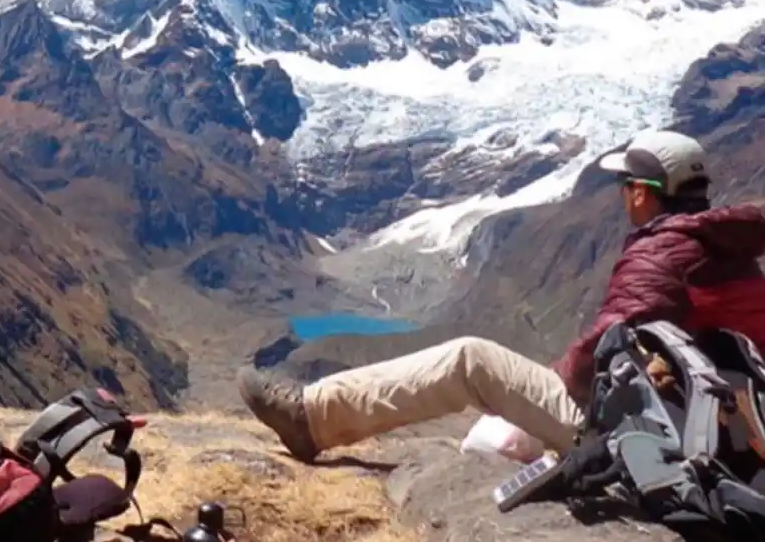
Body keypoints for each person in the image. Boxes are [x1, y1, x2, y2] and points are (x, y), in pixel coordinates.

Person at [237, 129, 765, 463]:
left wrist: (540, 393)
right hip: (721, 434)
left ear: (642, 193)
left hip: (654, 436)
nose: (622, 194)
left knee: (471, 359)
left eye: (625, 184)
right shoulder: (729, 248)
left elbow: (606, 346)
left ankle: (312, 418)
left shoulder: (664, 253)